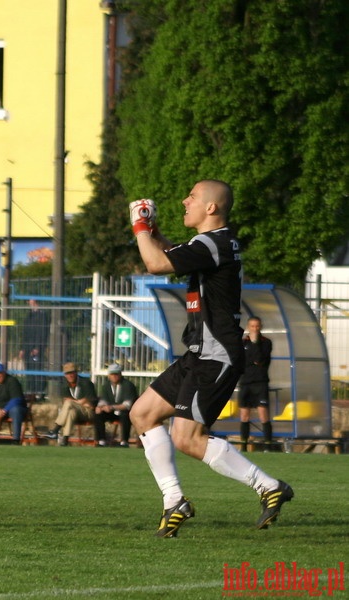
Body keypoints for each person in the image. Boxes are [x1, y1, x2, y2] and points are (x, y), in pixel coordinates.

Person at [127, 180, 292, 537]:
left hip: (216, 355)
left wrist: (140, 228)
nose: (185, 200)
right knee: (142, 413)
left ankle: (268, 485)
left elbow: (156, 264)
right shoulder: (213, 244)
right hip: (200, 352)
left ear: (211, 208)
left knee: (187, 437)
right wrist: (154, 231)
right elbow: (172, 253)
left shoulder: (213, 243)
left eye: (192, 197)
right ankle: (175, 501)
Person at [238, 317, 274, 451]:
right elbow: (242, 361)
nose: (255, 329)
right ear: (248, 327)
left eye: (257, 326)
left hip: (260, 382)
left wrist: (254, 343)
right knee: (244, 415)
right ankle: (243, 446)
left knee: (263, 414)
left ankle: (268, 446)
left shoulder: (266, 343)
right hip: (246, 382)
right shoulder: (242, 343)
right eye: (252, 326)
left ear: (261, 327)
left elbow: (260, 360)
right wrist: (251, 359)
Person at [46, 362, 97, 446]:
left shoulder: (86, 383)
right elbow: (67, 401)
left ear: (76, 373)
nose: (70, 376)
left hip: (88, 412)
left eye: (72, 373)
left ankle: (55, 429)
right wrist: (80, 402)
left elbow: (90, 403)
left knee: (69, 403)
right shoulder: (64, 386)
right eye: (67, 373)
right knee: (71, 412)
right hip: (76, 410)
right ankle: (65, 439)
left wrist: (75, 402)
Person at [93, 362, 137, 447]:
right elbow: (103, 400)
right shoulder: (106, 385)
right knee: (98, 415)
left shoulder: (128, 385)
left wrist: (112, 407)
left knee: (125, 415)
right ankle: (102, 440)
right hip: (111, 412)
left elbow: (128, 404)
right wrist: (100, 407)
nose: (114, 376)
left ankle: (124, 441)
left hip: (124, 411)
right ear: (109, 375)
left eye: (116, 374)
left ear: (120, 374)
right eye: (112, 374)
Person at [19, 299, 50, 397]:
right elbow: (24, 332)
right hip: (27, 347)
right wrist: (22, 348)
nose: (28, 303)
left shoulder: (42, 315)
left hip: (37, 347)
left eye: (30, 300)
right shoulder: (29, 315)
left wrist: (38, 347)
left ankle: (39, 392)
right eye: (28, 301)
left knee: (37, 369)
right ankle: (31, 391)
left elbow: (43, 332)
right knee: (29, 369)